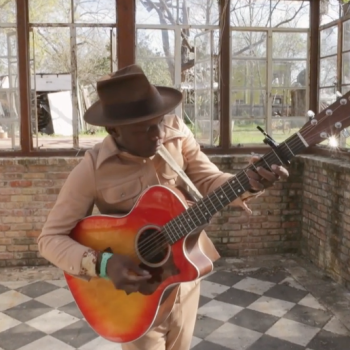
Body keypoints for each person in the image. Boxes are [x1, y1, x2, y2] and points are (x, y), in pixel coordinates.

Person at [38, 64, 289, 350]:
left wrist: (249, 182)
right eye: (144, 128)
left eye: (158, 121)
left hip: (185, 275)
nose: (157, 133)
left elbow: (209, 180)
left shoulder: (176, 133)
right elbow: (49, 239)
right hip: (133, 295)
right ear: (114, 130)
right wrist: (104, 264)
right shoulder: (93, 168)